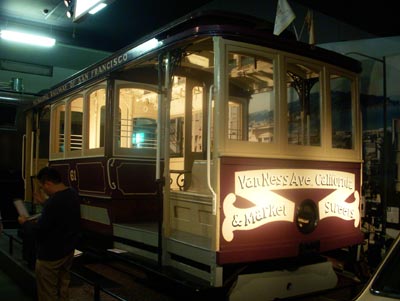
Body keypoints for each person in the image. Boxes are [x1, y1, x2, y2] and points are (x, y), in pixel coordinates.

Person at [18, 166, 81, 301]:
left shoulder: (54, 202)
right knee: (62, 288)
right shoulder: (72, 193)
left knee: (48, 292)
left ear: (48, 183)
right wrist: (44, 203)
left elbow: (39, 231)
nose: (43, 190)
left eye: (42, 187)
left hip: (51, 255)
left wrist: (25, 222)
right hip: (68, 251)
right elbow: (60, 212)